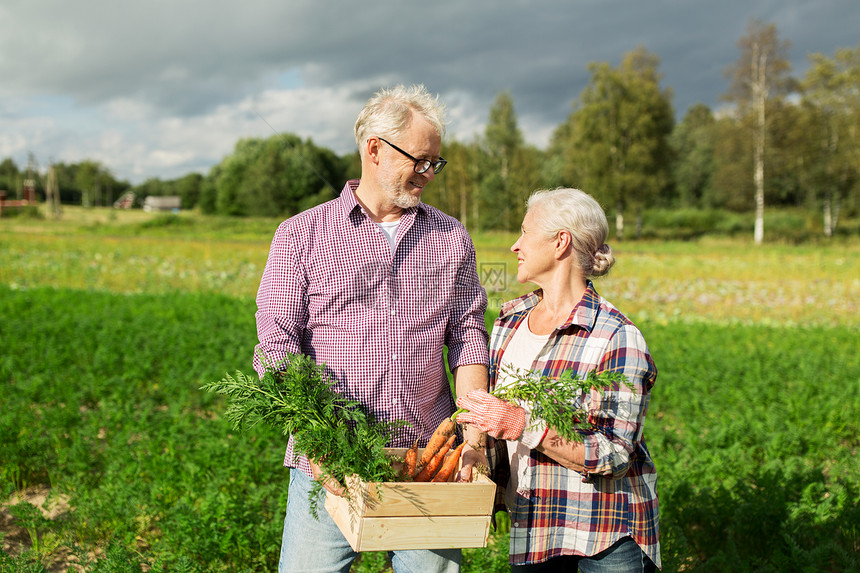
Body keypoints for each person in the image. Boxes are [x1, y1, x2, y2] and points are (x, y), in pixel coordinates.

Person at [253, 84, 490, 573]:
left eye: (435, 163)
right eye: (420, 159)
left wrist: (474, 439)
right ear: (374, 148)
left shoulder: (450, 236)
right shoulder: (302, 233)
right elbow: (277, 348)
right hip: (330, 460)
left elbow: (468, 338)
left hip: (428, 461)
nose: (428, 172)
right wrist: (321, 445)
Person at [456, 188, 661, 572]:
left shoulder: (616, 336)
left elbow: (615, 453)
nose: (515, 245)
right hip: (534, 520)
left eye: (525, 232)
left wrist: (522, 424)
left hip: (603, 531)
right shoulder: (509, 319)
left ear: (560, 242)